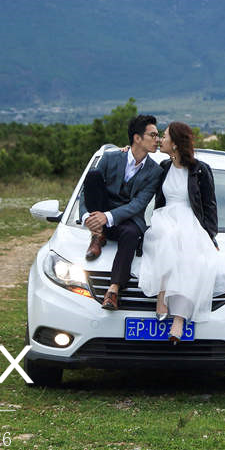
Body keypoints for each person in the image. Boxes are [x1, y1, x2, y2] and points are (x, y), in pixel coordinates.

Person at [137, 121, 225, 343]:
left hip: (190, 222)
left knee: (192, 259)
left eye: (165, 136)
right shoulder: (162, 167)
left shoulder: (200, 170)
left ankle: (178, 319)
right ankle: (162, 293)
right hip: (164, 219)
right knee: (168, 238)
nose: (161, 139)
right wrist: (125, 152)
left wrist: (210, 237)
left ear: (176, 144)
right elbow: (137, 168)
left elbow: (210, 206)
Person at [79, 114, 164, 310]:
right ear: (137, 138)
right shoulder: (110, 158)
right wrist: (87, 217)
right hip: (99, 214)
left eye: (158, 136)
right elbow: (87, 192)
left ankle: (113, 291)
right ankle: (96, 235)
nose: (157, 140)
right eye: (153, 135)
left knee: (132, 233)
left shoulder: (154, 171)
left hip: (126, 220)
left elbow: (139, 204)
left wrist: (107, 217)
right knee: (93, 176)